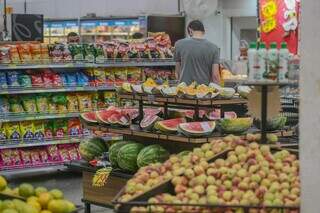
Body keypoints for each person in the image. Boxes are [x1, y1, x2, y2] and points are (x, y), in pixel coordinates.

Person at [174, 20, 221, 85]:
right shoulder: (214, 48)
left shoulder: (178, 44)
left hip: (184, 90)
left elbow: (177, 72)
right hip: (204, 91)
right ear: (203, 32)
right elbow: (215, 76)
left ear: (190, 31)